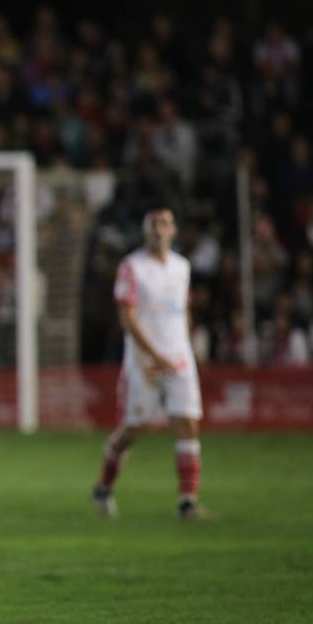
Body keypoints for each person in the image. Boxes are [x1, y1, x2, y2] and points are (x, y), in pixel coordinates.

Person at [92, 208, 208, 519]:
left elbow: (181, 311)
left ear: (174, 230)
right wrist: (155, 356)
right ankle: (103, 487)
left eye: (166, 223)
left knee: (188, 423)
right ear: (146, 231)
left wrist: (185, 345)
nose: (160, 229)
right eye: (154, 224)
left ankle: (187, 502)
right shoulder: (132, 266)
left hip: (178, 357)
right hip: (144, 360)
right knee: (134, 428)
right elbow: (127, 317)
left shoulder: (181, 267)